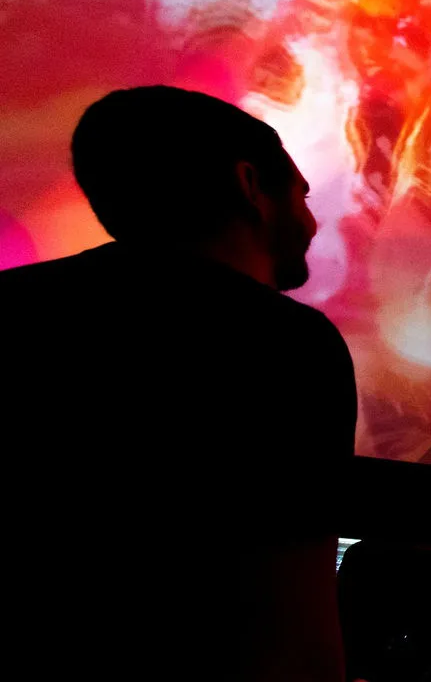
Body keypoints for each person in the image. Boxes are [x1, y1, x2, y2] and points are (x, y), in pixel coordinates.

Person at [0, 86, 357, 681]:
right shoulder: (284, 345)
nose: (313, 220)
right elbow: (295, 635)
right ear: (250, 187)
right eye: (301, 193)